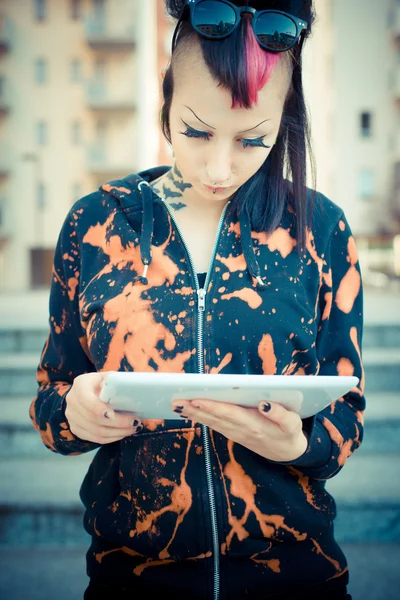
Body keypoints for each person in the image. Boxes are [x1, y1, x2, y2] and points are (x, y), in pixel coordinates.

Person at [29, 1, 364, 598]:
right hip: (133, 578)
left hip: (295, 576)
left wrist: (301, 442)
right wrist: (74, 415)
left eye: (252, 140)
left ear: (283, 121)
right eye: (197, 130)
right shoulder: (96, 224)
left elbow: (348, 412)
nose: (218, 166)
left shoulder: (322, 229)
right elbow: (52, 401)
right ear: (165, 102)